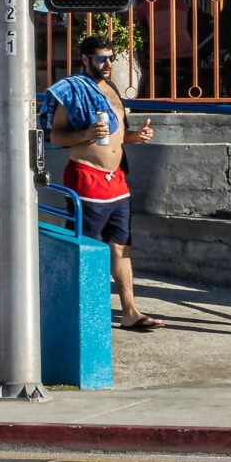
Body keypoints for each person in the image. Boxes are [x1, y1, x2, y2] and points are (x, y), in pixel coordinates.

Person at [47, 37, 163, 331]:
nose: (108, 64)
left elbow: (117, 136)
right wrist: (86, 133)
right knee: (84, 248)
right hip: (86, 177)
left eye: (111, 58)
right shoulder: (73, 89)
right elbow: (57, 136)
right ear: (85, 59)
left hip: (117, 181)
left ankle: (130, 311)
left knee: (122, 247)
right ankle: (74, 307)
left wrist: (137, 137)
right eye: (101, 58)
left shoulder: (111, 89)